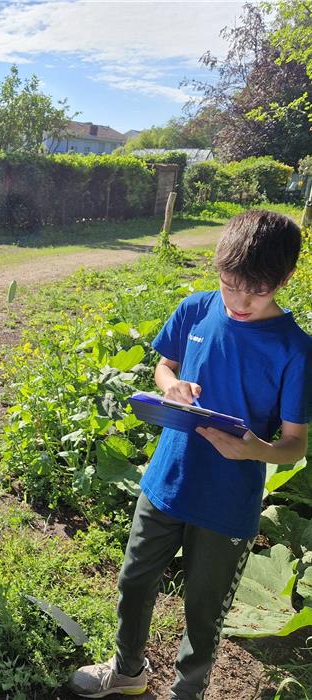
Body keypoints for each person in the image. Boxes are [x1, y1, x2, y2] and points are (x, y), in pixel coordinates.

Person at [69, 209, 311, 699]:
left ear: (285, 279)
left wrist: (254, 451)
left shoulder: (296, 351)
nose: (239, 301)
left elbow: (295, 443)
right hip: (167, 480)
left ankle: (188, 691)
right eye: (229, 283)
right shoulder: (196, 309)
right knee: (135, 581)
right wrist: (172, 387)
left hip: (227, 503)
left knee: (205, 610)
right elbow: (164, 366)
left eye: (257, 290)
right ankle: (128, 669)